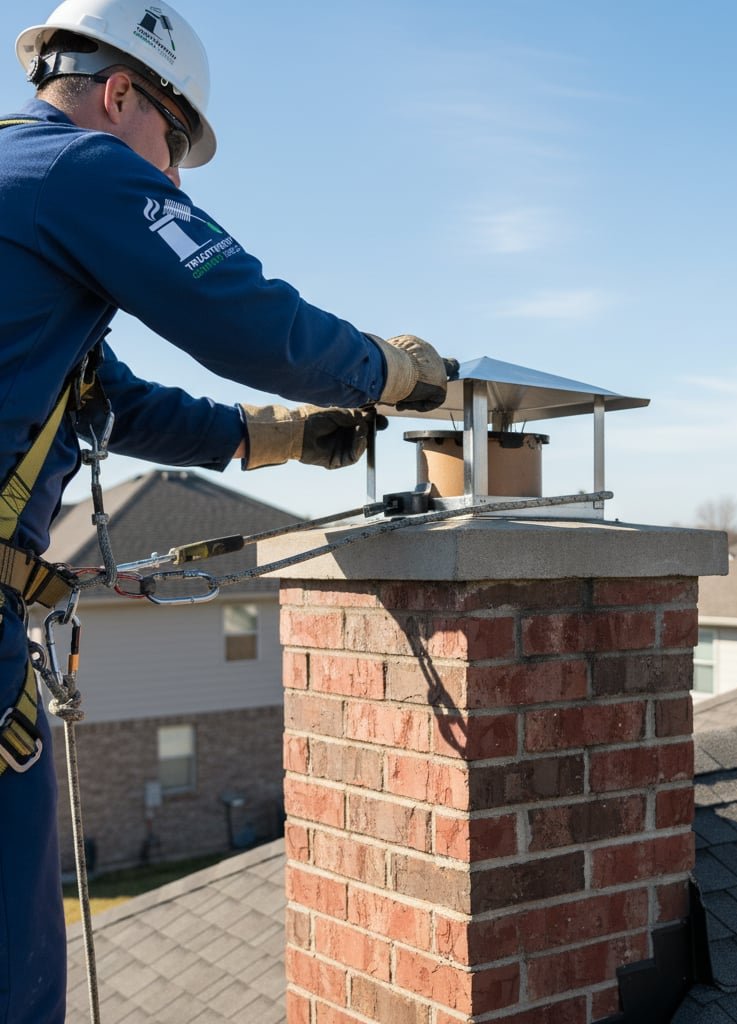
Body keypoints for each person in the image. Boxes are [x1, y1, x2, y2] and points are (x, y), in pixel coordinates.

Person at [0, 2, 455, 1020]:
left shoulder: (14, 199)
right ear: (121, 93)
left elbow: (105, 396)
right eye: (171, 144)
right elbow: (243, 310)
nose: (168, 178)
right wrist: (388, 374)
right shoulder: (79, 168)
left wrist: (279, 436)